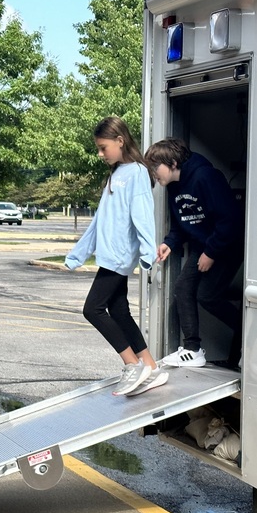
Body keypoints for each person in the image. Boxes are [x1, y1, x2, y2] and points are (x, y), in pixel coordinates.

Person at [65, 117, 167, 397]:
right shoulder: (116, 174)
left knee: (92, 309)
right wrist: (78, 254)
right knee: (119, 311)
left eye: (103, 147)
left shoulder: (136, 173)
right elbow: (100, 221)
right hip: (110, 255)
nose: (100, 154)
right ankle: (150, 365)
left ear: (120, 141)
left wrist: (147, 251)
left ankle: (132, 365)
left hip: (120, 256)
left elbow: (142, 215)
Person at [144, 139, 244, 369]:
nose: (154, 174)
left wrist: (211, 252)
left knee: (207, 296)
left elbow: (230, 221)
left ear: (173, 162)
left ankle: (245, 330)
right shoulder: (173, 187)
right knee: (182, 288)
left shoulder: (205, 177)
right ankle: (192, 349)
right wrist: (169, 242)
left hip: (226, 245)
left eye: (155, 167)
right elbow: (182, 223)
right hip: (205, 245)